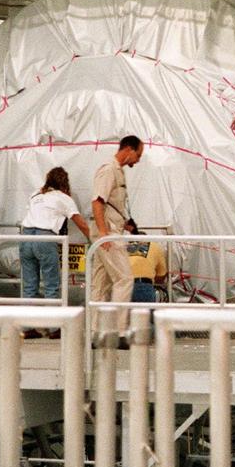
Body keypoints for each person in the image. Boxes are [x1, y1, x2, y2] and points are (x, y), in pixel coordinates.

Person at [91, 136, 144, 332]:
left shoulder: (117, 172)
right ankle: (119, 330)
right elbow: (97, 202)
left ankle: (96, 330)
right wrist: (104, 234)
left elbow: (110, 205)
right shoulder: (109, 170)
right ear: (128, 149)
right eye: (138, 155)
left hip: (110, 230)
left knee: (101, 284)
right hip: (108, 233)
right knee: (124, 279)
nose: (138, 160)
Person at [21, 167, 90, 305]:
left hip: (25, 236)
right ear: (65, 183)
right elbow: (81, 224)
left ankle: (28, 324)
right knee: (51, 285)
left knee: (29, 286)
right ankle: (53, 326)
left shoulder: (35, 195)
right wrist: (96, 241)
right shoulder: (64, 198)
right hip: (45, 238)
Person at [123, 218, 167, 304]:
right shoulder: (154, 246)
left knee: (125, 316)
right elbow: (161, 275)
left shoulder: (124, 247)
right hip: (143, 286)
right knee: (145, 316)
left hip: (124, 286)